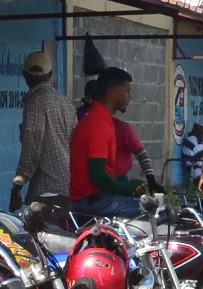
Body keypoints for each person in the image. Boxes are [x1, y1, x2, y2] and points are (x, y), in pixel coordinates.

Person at [68, 67, 144, 218]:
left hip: (94, 198)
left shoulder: (98, 117)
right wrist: (126, 187)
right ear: (113, 91)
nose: (130, 96)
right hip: (94, 201)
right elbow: (97, 175)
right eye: (127, 91)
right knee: (154, 213)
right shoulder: (99, 124)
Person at [11, 50, 77, 208]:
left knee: (40, 232)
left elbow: (31, 147)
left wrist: (17, 186)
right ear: (50, 74)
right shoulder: (65, 102)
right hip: (68, 184)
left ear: (25, 76)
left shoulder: (35, 102)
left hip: (47, 189)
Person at [178, 121, 203, 191]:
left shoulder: (199, 140)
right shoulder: (193, 140)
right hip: (196, 171)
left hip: (199, 169)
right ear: (196, 127)